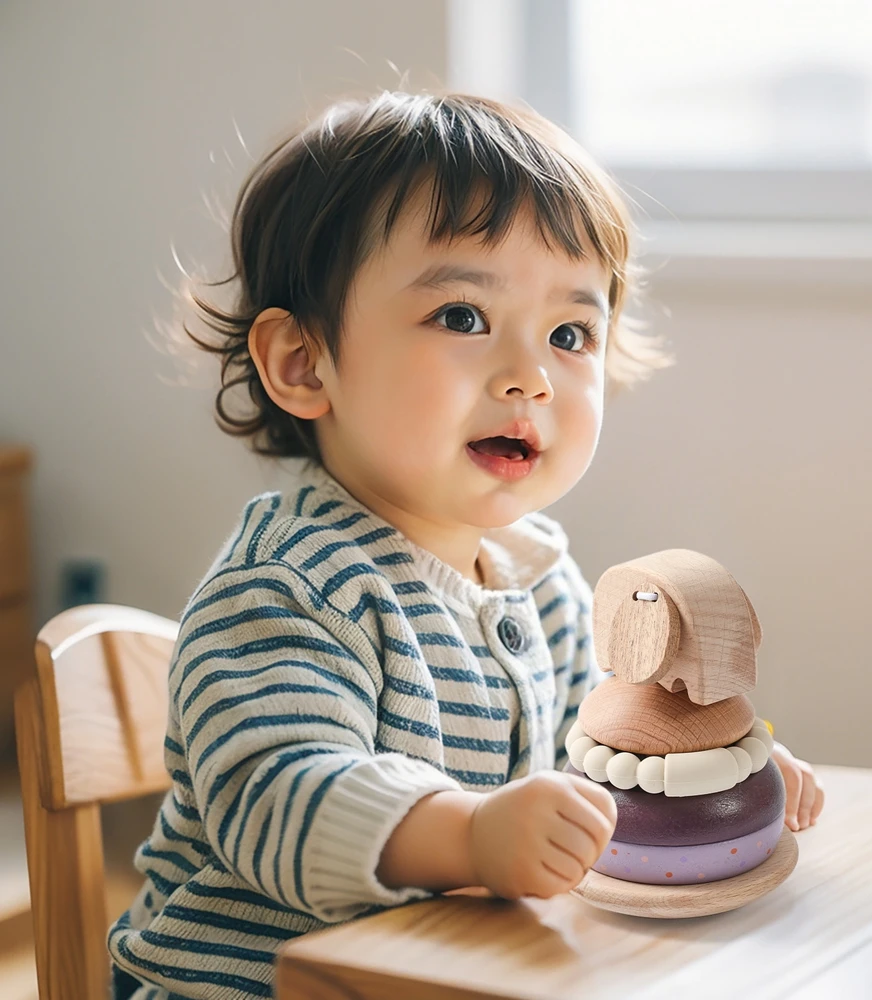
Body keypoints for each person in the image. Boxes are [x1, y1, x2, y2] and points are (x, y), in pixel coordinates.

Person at [109, 90, 824, 999]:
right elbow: (275, 796)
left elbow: (594, 764)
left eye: (570, 334)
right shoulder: (287, 586)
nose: (529, 375)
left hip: (450, 971)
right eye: (461, 317)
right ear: (303, 364)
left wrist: (708, 779)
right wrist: (469, 836)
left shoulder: (545, 582)